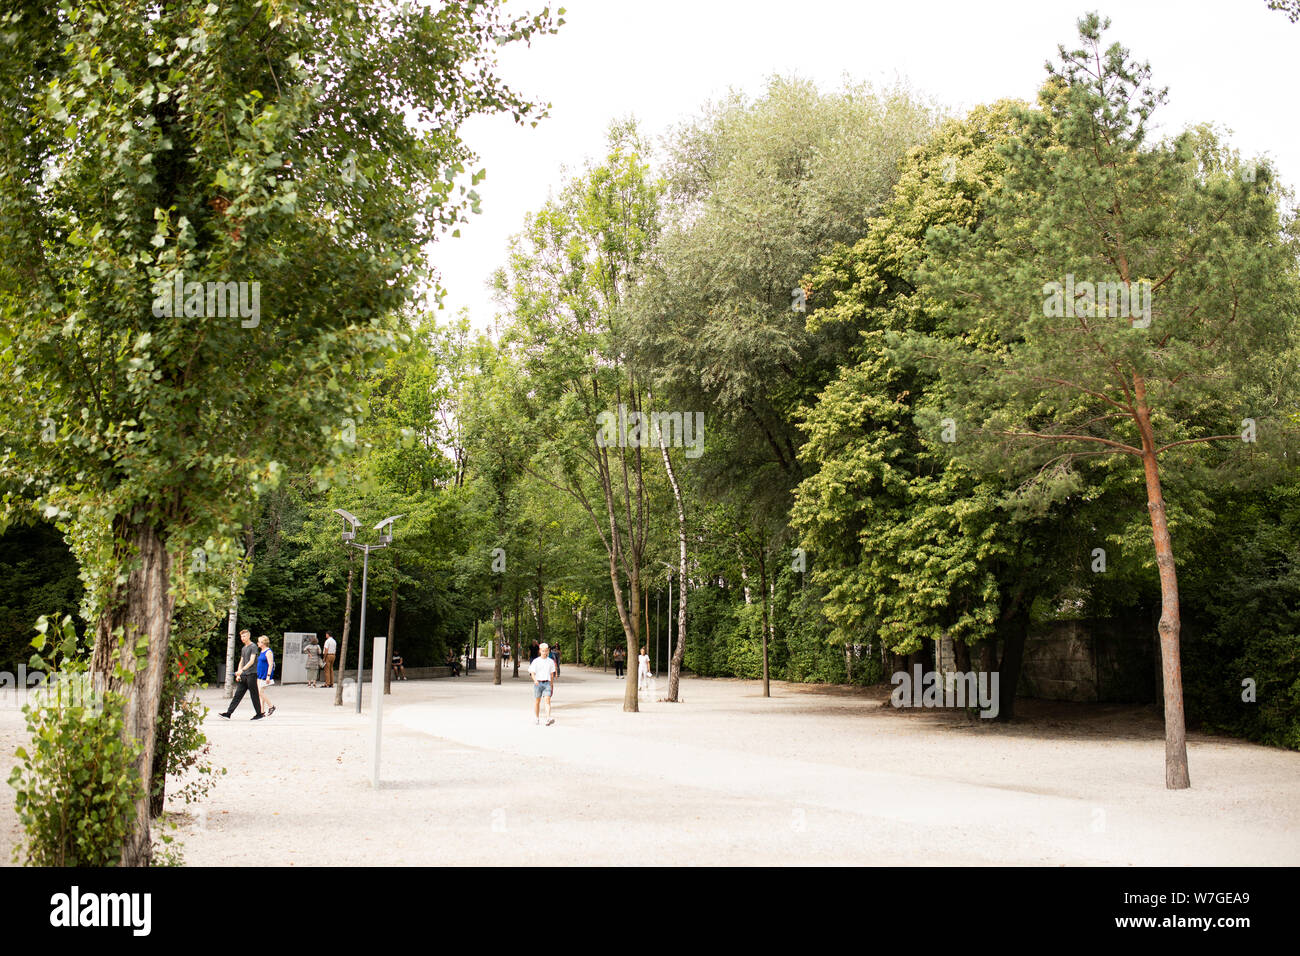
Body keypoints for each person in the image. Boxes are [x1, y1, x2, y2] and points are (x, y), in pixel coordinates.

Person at [219, 629, 265, 720]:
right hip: (244, 675)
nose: (242, 638)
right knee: (238, 695)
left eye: (244, 636)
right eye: (241, 636)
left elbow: (252, 661)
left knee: (254, 695)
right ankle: (228, 713)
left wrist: (242, 670)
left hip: (252, 674)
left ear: (248, 636)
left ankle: (259, 714)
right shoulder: (244, 648)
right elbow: (241, 661)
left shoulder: (253, 646)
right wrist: (239, 672)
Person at [530, 642, 556, 726]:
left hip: (547, 683)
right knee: (537, 701)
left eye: (546, 651)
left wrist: (551, 684)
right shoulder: (536, 661)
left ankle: (548, 718)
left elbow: (552, 674)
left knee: (547, 700)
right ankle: (537, 718)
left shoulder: (550, 662)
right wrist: (535, 680)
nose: (544, 652)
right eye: (543, 651)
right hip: (538, 683)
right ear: (540, 651)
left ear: (548, 651)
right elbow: (532, 673)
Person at [256, 635, 276, 717]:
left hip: (265, 674)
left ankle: (271, 706)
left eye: (259, 642)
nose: (257, 643)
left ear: (263, 643)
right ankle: (261, 711)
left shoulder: (268, 652)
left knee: (261, 692)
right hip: (259, 674)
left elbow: (270, 664)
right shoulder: (261, 651)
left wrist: (268, 675)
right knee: (260, 693)